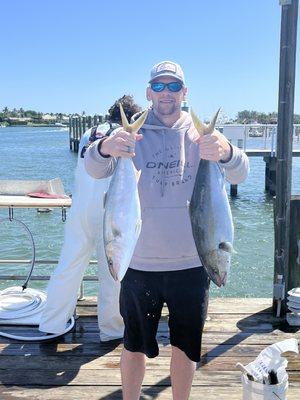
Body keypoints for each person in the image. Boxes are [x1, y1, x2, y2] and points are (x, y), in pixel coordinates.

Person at [84, 61, 249, 399]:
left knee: (186, 347)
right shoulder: (130, 137)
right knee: (132, 344)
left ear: (184, 93)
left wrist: (227, 151)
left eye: (173, 87)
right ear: (149, 92)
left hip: (192, 262)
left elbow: (240, 174)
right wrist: (105, 148)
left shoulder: (201, 136)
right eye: (158, 86)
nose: (166, 93)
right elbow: (93, 168)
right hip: (138, 261)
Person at [39, 95, 141, 342]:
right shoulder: (127, 137)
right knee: (113, 273)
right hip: (112, 211)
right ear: (132, 117)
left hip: (81, 209)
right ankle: (112, 330)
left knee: (68, 266)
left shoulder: (89, 132)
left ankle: (51, 324)